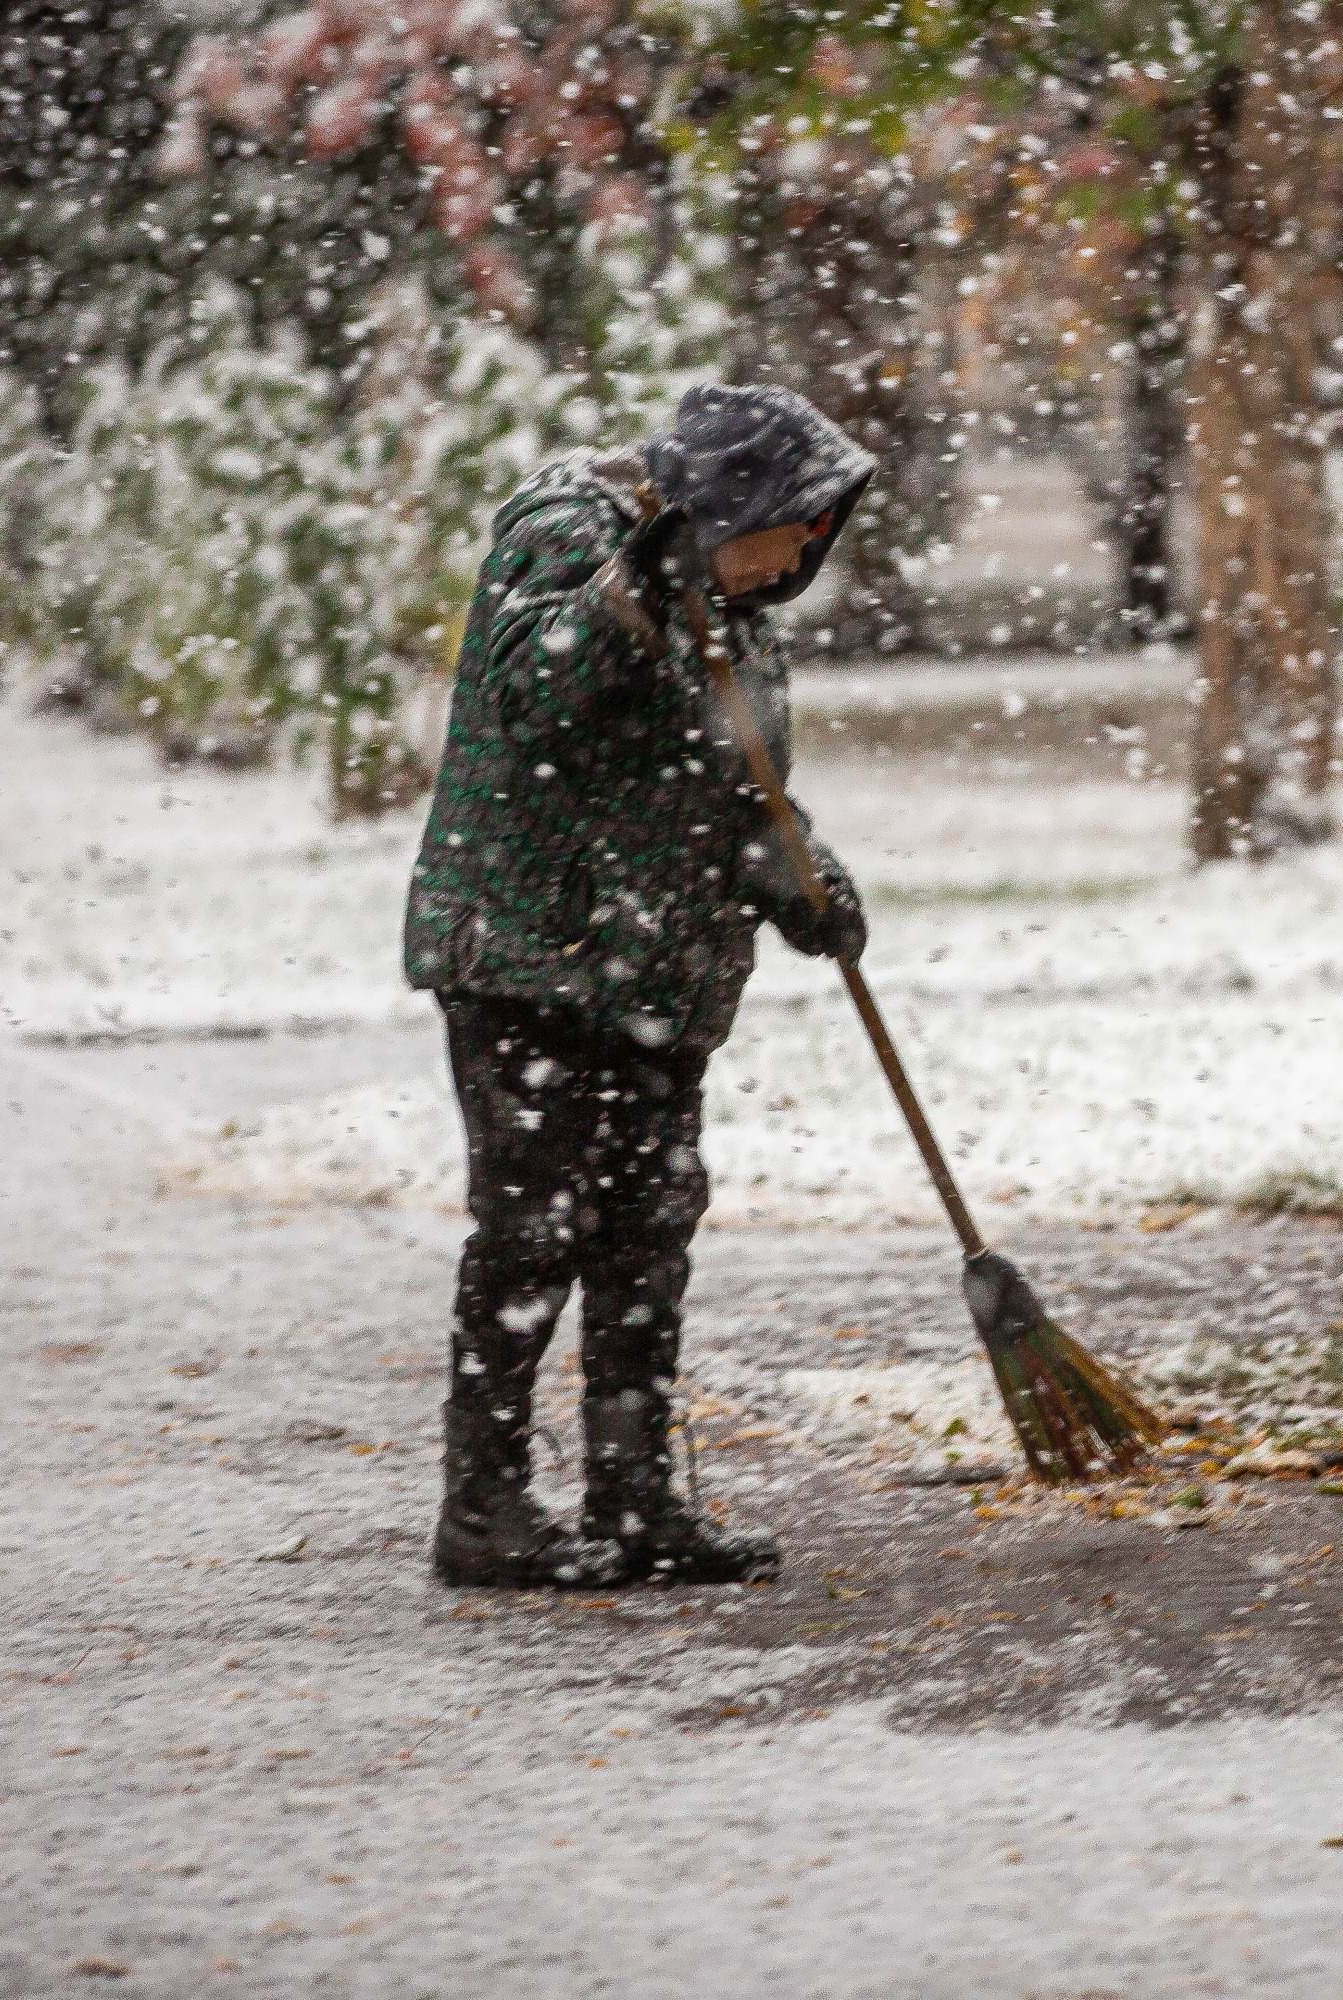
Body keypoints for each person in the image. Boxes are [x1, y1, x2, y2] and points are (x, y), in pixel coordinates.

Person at [402, 384, 875, 1589]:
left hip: (658, 973)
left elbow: (740, 783)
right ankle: (486, 1506)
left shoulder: (738, 602)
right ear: (730, 503)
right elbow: (533, 687)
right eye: (800, 524)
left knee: (648, 1228)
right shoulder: (569, 531)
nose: (811, 550)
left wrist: (802, 878)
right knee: (533, 1228)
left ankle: (634, 1496)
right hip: (533, 955)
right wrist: (637, 588)